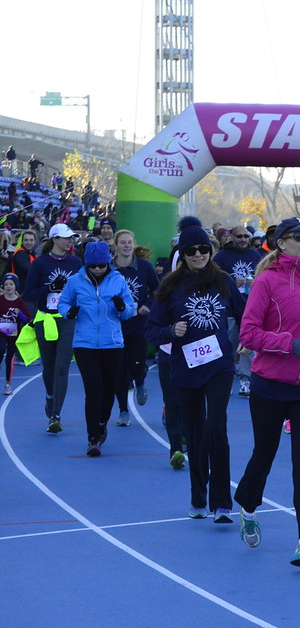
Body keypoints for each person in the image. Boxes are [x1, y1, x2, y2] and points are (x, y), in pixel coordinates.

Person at [235, 217, 300, 567]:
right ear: (281, 243)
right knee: (265, 452)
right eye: (298, 236)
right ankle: (249, 506)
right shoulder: (266, 281)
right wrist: (289, 345)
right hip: (270, 384)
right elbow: (248, 334)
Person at [145, 216, 245, 522]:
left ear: (210, 250)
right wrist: (169, 332)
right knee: (196, 433)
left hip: (219, 366)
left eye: (204, 248)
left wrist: (246, 340)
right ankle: (198, 497)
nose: (199, 254)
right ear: (183, 255)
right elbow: (151, 329)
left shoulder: (224, 281)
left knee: (217, 429)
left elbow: (246, 314)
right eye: (192, 251)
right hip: (185, 368)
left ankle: (222, 503)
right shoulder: (170, 286)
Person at [58, 242, 135, 456]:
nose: (98, 269)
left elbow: (130, 310)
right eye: (94, 266)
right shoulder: (75, 281)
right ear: (87, 264)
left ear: (108, 263)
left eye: (102, 265)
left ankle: (102, 423)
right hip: (85, 343)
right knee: (93, 390)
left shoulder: (118, 280)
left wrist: (122, 307)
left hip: (113, 344)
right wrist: (69, 312)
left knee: (108, 390)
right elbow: (62, 304)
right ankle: (92, 437)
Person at [24, 223, 82, 433]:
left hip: (67, 319)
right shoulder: (40, 264)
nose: (70, 241)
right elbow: (28, 294)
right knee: (48, 366)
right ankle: (50, 396)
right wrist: (50, 288)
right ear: (54, 239)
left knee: (62, 367)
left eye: (71, 238)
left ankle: (56, 415)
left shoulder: (76, 263)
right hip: (46, 319)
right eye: (66, 237)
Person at [111, 230, 160, 426]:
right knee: (119, 370)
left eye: (129, 242)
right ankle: (123, 411)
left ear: (134, 244)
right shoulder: (108, 268)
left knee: (137, 364)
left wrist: (148, 303)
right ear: (116, 245)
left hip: (139, 325)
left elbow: (157, 291)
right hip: (115, 326)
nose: (126, 245)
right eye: (122, 242)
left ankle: (139, 382)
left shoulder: (144, 267)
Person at [213, 224, 262, 397]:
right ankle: (224, 375)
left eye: (246, 236)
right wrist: (232, 282)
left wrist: (255, 282)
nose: (243, 240)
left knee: (248, 343)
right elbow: (213, 280)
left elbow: (265, 277)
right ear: (231, 237)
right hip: (230, 310)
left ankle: (245, 380)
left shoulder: (256, 256)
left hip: (252, 307)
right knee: (230, 344)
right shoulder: (222, 257)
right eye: (239, 236)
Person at [0, 273, 30, 394]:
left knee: (9, 360)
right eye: (6, 284)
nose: (8, 286)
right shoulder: (1, 300)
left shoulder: (19, 302)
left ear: (15, 286)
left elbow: (28, 319)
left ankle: (8, 384)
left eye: (11, 284)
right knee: (0, 349)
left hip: (13, 333)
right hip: (1, 331)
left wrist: (20, 314)